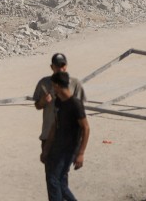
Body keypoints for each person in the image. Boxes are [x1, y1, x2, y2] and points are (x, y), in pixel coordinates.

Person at [42, 71, 90, 201]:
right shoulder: (59, 102)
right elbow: (54, 126)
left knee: (53, 179)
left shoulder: (75, 104)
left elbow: (86, 128)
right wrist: (46, 148)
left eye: (52, 85)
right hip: (57, 147)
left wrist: (81, 153)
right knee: (60, 182)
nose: (52, 88)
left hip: (68, 149)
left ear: (57, 85)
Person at [33, 53, 86, 161]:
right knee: (51, 173)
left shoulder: (75, 84)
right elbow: (37, 106)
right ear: (52, 67)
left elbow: (81, 114)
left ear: (66, 66)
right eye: (57, 66)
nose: (60, 69)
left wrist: (80, 150)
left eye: (63, 65)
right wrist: (43, 101)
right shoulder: (44, 83)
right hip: (48, 136)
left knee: (60, 174)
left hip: (68, 137)